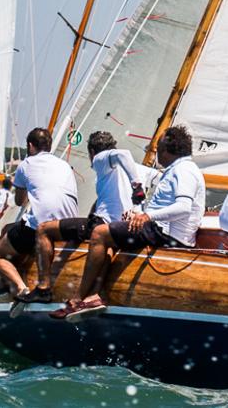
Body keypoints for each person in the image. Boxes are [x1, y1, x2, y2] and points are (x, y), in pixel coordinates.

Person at [52, 125, 204, 320]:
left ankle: (78, 297)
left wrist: (147, 217)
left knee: (99, 233)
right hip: (160, 229)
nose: (156, 152)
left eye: (157, 148)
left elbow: (183, 207)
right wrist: (136, 215)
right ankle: (95, 296)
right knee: (114, 234)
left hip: (167, 234)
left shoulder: (184, 170)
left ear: (167, 150)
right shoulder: (176, 169)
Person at [19, 131, 143, 305]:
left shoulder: (100, 159)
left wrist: (136, 186)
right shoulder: (135, 168)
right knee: (107, 243)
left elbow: (124, 154)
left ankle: (43, 288)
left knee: (43, 229)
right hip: (120, 228)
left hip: (102, 225)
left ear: (92, 151)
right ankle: (96, 294)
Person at [0, 128, 78, 301]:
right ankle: (8, 279)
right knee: (10, 229)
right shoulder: (65, 165)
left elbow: (20, 201)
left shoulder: (26, 165)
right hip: (67, 225)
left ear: (30, 145)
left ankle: (20, 288)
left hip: (43, 228)